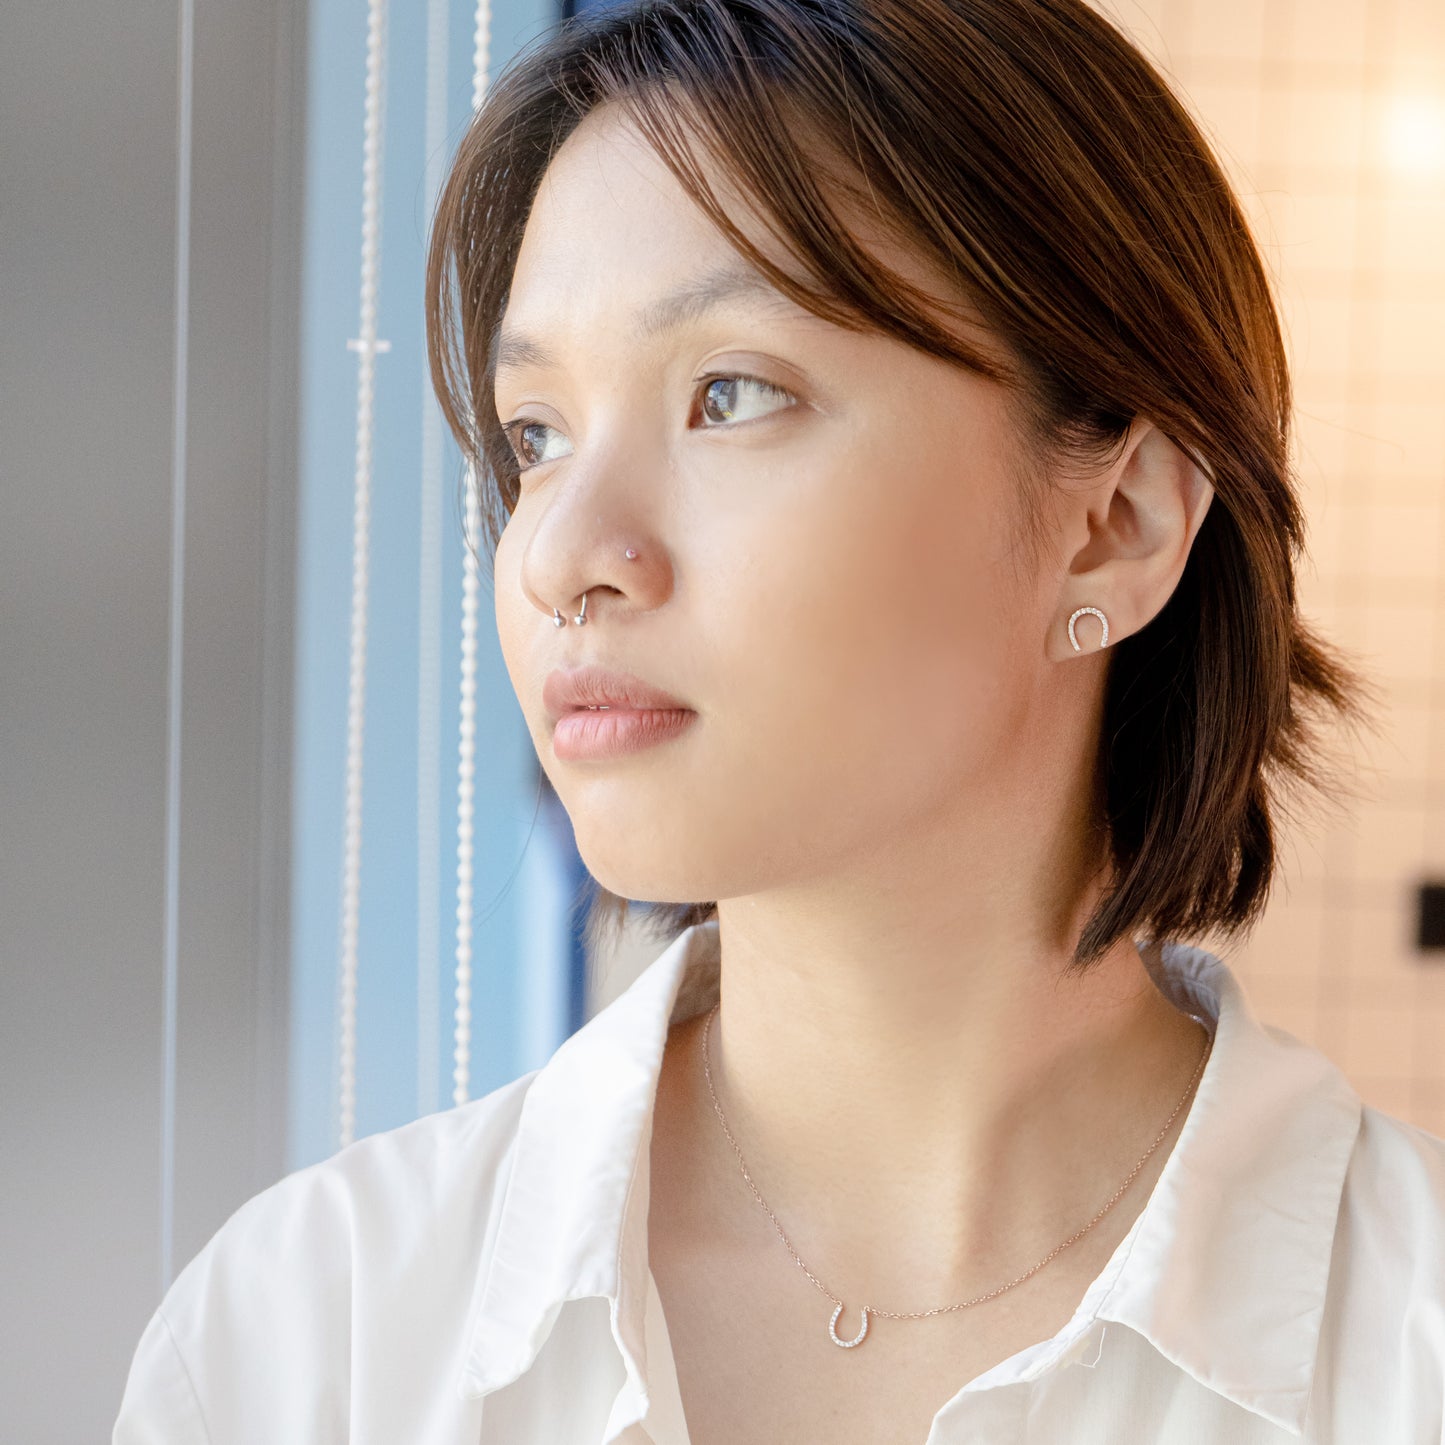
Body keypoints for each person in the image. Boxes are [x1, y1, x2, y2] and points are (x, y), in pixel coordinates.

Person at [115, 0, 1445, 1441]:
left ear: (1111, 523)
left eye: (728, 394)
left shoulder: (1403, 1346)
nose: (563, 553)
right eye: (534, 435)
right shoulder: (312, 1338)